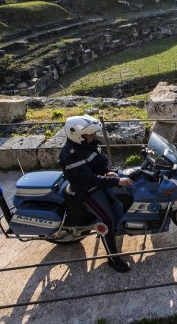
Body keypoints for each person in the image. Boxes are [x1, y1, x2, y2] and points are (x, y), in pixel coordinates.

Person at [58, 115, 135, 273]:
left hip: (98, 183)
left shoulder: (88, 144)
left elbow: (102, 159)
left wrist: (109, 171)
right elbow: (89, 179)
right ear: (76, 134)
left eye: (93, 133)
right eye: (89, 134)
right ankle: (113, 259)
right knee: (108, 221)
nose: (92, 136)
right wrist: (115, 181)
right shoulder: (71, 154)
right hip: (87, 191)